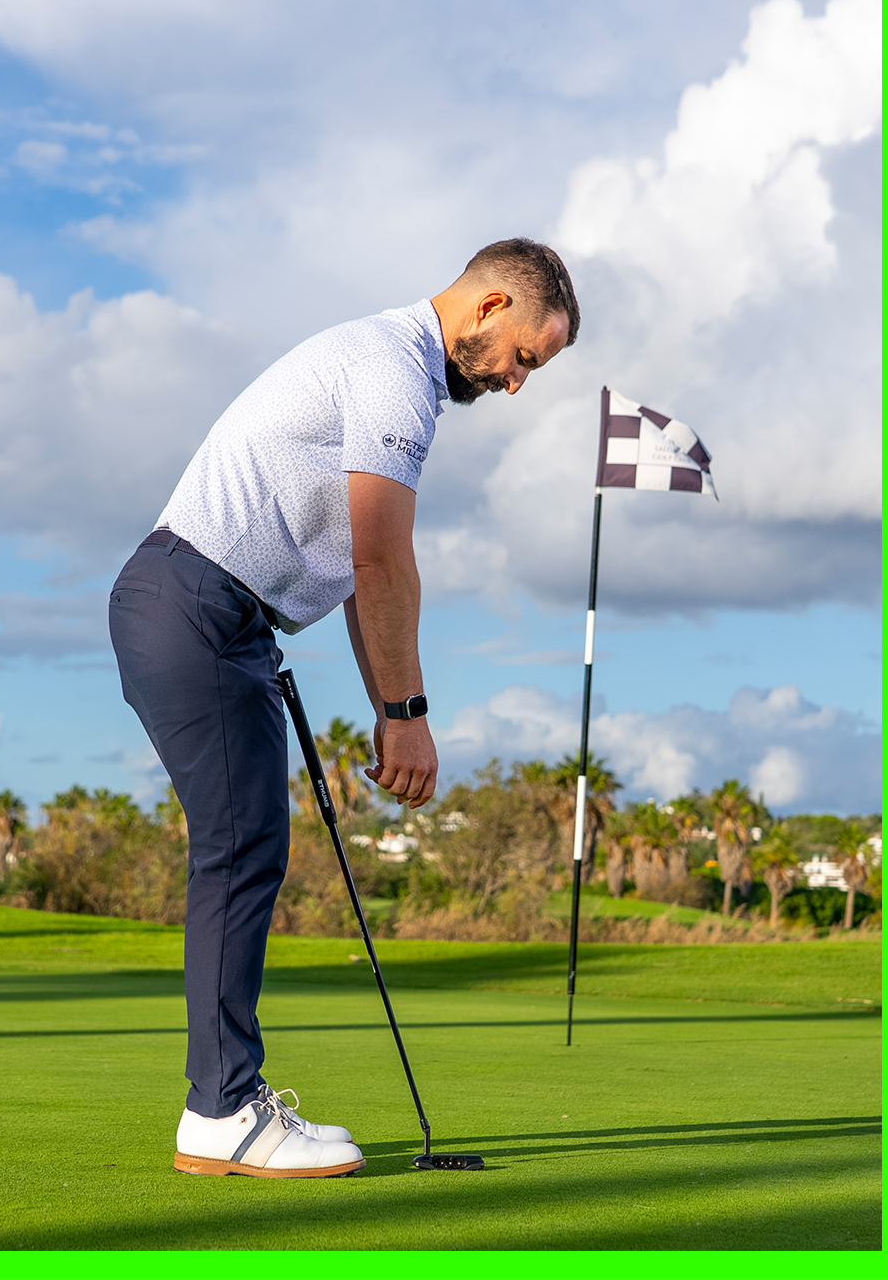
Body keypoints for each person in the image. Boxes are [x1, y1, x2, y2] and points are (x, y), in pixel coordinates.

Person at [108, 238, 580, 1175]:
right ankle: (223, 1111)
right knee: (241, 847)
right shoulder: (394, 370)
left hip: (213, 612)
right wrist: (404, 711)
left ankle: (225, 1099)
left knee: (248, 846)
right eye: (526, 357)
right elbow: (381, 558)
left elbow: (369, 577)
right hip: (195, 603)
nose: (519, 384)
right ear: (488, 309)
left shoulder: (392, 367)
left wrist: (388, 702)